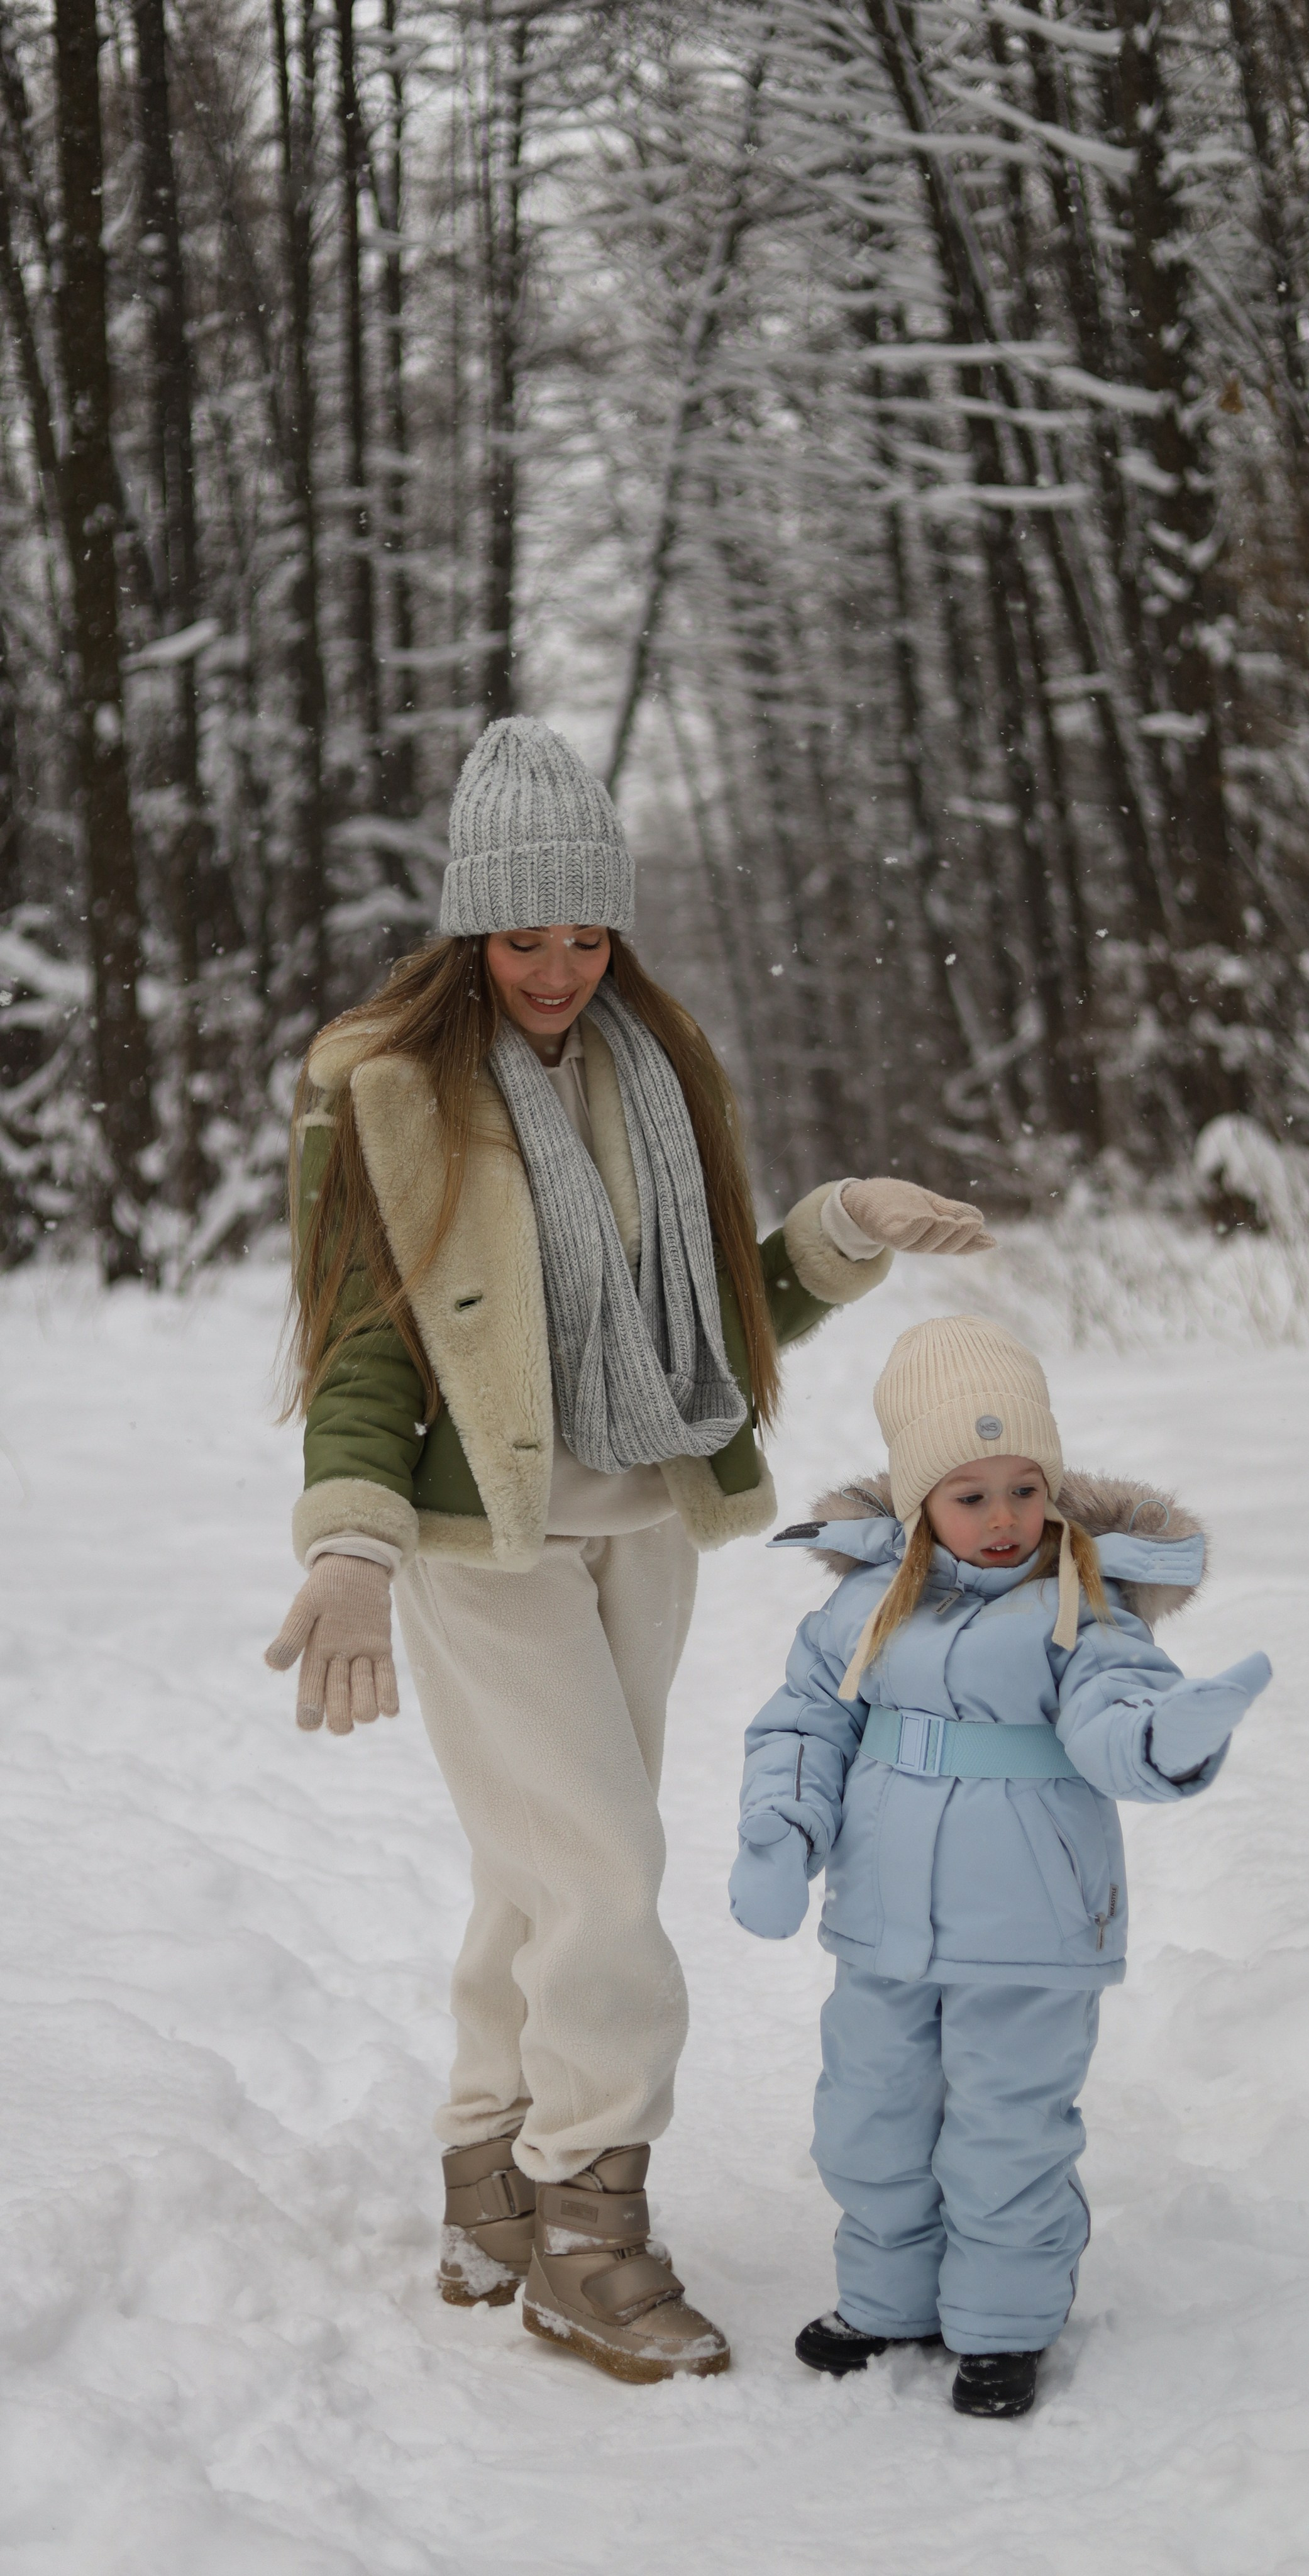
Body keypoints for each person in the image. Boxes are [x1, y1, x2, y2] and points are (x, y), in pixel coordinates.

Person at [264, 716, 996, 2385]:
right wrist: (357, 1542)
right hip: (483, 1539)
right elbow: (367, 1337)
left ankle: (487, 2185)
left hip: (641, 1517)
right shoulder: (384, 1086)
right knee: (601, 1872)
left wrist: (838, 1230)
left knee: (545, 1864)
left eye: (584, 934)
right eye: (523, 935)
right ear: (469, 929)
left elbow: (713, 1319)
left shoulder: (655, 1074)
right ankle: (586, 2223)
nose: (556, 967)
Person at [728, 1312, 1271, 2418]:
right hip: (884, 1926)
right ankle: (886, 2299)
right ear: (919, 1498)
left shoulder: (1084, 1607)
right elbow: (802, 1726)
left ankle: (1002, 2326)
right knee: (870, 2116)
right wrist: (781, 1830)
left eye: (1025, 1488)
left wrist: (1168, 1739)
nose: (1004, 1518)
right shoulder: (862, 1606)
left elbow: (1115, 1714)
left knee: (1005, 2131)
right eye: (970, 1496)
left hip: (1031, 1935)